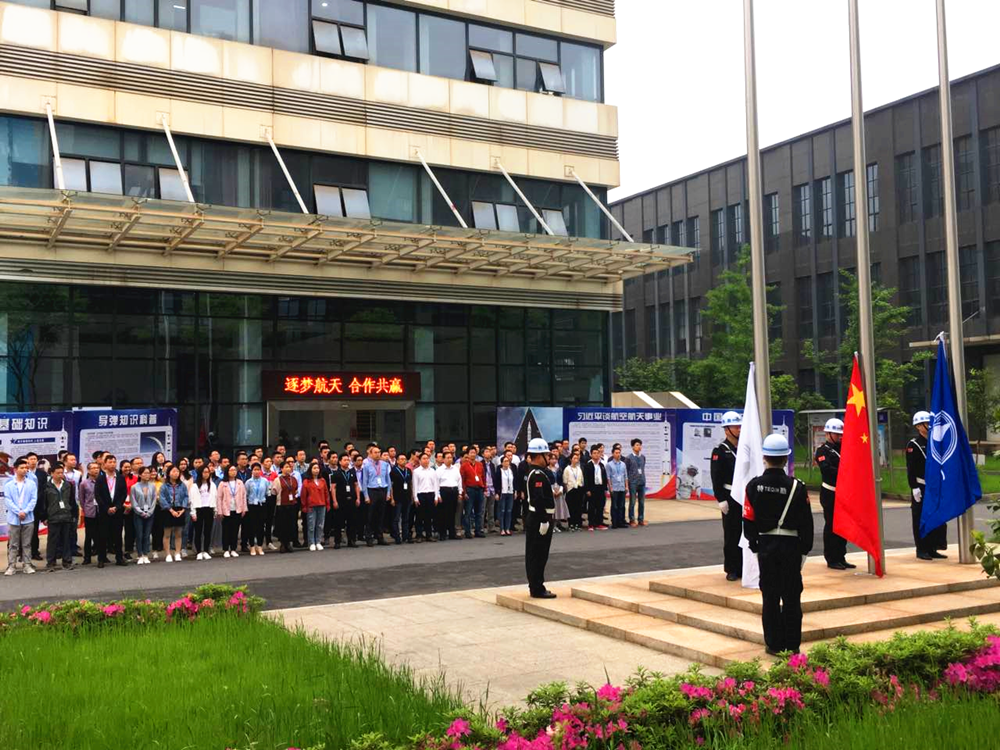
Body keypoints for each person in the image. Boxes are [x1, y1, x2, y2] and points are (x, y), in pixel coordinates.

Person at [743, 434, 814, 656]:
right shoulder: (797, 487)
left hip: (766, 545)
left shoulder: (753, 486)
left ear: (765, 458)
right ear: (785, 459)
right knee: (792, 597)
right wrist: (804, 550)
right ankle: (792, 644)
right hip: (791, 546)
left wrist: (755, 546)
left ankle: (773, 644)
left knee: (770, 597)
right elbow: (807, 523)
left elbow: (748, 520)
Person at [815, 418, 855, 570]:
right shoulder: (822, 450)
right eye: (837, 434)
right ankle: (831, 558)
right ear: (828, 434)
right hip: (830, 492)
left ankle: (841, 556)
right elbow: (826, 469)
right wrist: (845, 473)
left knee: (844, 525)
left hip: (844, 492)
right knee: (832, 526)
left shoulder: (843, 448)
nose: (840, 437)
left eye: (841, 434)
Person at [907, 411, 947, 560]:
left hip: (934, 486)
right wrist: (914, 487)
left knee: (935, 517)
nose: (930, 426)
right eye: (926, 423)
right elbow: (911, 468)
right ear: (918, 426)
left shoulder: (934, 442)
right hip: (921, 486)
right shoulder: (914, 445)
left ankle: (932, 548)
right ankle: (922, 549)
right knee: (920, 518)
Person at [711, 411, 743, 582]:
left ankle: (743, 567)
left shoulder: (744, 449)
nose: (739, 429)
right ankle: (731, 568)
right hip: (730, 496)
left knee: (745, 533)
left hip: (744, 496)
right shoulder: (720, 451)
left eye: (740, 426)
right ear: (726, 430)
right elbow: (716, 477)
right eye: (735, 427)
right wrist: (721, 499)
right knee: (731, 533)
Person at [523, 438, 557, 599]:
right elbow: (538, 500)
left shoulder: (539, 472)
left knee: (539, 553)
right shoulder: (537, 474)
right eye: (546, 455)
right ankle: (536, 587)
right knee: (537, 554)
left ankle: (537, 585)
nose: (549, 458)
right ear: (539, 456)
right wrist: (544, 520)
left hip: (539, 517)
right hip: (539, 518)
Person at [4, 458, 38, 575]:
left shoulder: (31, 483)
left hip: (28, 518)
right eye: (22, 468)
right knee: (13, 544)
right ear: (15, 469)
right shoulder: (9, 484)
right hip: (14, 518)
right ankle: (11, 566)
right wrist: (18, 512)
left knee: (27, 544)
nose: (24, 470)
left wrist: (26, 511)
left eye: (26, 468)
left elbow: (33, 499)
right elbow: (8, 500)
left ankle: (27, 565)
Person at [95, 453, 127, 568]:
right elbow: (97, 495)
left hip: (117, 511)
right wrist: (106, 508)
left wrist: (117, 507)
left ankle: (119, 558)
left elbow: (123, 494)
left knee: (118, 535)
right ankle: (101, 559)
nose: (112, 464)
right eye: (110, 462)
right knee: (103, 535)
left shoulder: (120, 477)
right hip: (104, 511)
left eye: (114, 462)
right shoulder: (100, 478)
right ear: (104, 464)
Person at [42, 462, 74, 571]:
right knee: (52, 541)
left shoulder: (68, 485)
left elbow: (72, 501)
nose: (60, 475)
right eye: (58, 473)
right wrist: (44, 517)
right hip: (53, 517)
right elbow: (43, 503)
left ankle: (67, 561)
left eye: (62, 473)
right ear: (52, 473)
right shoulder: (46, 486)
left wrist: (73, 514)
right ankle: (51, 562)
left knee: (66, 540)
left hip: (66, 516)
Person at [361, 445, 392, 547]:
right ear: (370, 454)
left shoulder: (385, 465)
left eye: (379, 452)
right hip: (372, 490)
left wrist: (388, 493)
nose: (378, 454)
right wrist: (366, 496)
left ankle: (380, 537)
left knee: (381, 515)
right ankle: (369, 537)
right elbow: (364, 481)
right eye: (375, 452)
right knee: (370, 515)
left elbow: (388, 479)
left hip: (382, 489)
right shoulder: (366, 465)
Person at [216, 464, 247, 558]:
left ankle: (233, 549)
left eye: (234, 470)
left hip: (237, 509)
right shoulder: (223, 483)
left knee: (235, 530)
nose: (233, 472)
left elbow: (244, 496)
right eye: (231, 470)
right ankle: (226, 549)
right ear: (227, 472)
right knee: (226, 530)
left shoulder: (240, 482)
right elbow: (219, 498)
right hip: (226, 510)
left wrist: (244, 508)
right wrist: (220, 511)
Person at [159, 465, 189, 563]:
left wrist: (183, 509)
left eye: (177, 471)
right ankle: (168, 554)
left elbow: (186, 496)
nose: (175, 473)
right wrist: (171, 510)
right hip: (167, 510)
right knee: (167, 533)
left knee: (178, 533)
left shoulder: (182, 485)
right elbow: (162, 499)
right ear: (168, 473)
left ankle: (177, 553)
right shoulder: (164, 485)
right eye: (173, 471)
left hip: (179, 509)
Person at [329, 453, 359, 549]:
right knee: (338, 522)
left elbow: (356, 485)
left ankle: (352, 540)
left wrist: (358, 498)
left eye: (348, 460)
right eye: (344, 460)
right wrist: (334, 501)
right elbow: (333, 488)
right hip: (341, 500)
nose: (347, 462)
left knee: (352, 521)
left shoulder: (352, 472)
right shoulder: (336, 473)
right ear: (340, 462)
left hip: (351, 500)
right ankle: (337, 541)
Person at [130, 466, 158, 565]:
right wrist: (140, 512)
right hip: (139, 513)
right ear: (140, 475)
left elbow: (154, 500)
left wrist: (150, 512)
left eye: (148, 473)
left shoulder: (152, 486)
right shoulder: (134, 487)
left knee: (147, 535)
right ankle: (140, 554)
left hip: (150, 512)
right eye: (145, 473)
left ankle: (146, 554)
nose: (147, 475)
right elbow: (133, 502)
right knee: (139, 534)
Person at [271, 460, 299, 553]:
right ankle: (283, 543)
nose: (288, 469)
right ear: (281, 469)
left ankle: (288, 543)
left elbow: (296, 490)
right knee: (282, 525)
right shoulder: (277, 480)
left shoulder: (293, 479)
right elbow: (274, 492)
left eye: (289, 467)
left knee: (291, 524)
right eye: (286, 467)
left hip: (292, 504)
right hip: (282, 505)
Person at [190, 465, 217, 560]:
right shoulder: (195, 486)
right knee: (198, 531)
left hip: (209, 509)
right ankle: (198, 551)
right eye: (204, 472)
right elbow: (192, 500)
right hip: (199, 509)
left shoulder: (212, 485)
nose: (206, 474)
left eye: (207, 472)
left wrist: (215, 510)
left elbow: (215, 498)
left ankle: (206, 550)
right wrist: (193, 512)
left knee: (207, 531)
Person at [300, 462, 329, 551]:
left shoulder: (322, 480)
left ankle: (318, 541)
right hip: (311, 506)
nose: (316, 470)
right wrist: (304, 506)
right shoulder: (306, 481)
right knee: (311, 525)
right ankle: (311, 542)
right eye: (314, 468)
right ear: (310, 470)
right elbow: (303, 495)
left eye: (317, 468)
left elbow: (326, 493)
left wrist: (327, 504)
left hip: (322, 505)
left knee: (320, 525)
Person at [411, 451, 439, 543]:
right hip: (421, 494)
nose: (426, 460)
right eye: (423, 458)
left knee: (429, 516)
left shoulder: (433, 471)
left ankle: (429, 535)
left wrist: (436, 496)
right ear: (419, 460)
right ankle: (419, 535)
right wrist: (415, 497)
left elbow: (436, 484)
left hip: (430, 494)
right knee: (419, 516)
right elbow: (415, 485)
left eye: (427, 459)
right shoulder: (416, 471)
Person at [459, 446, 486, 539]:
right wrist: (464, 492)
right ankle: (468, 531)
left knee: (479, 511)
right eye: (471, 453)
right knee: (468, 511)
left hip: (479, 489)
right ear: (468, 454)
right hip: (469, 489)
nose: (473, 454)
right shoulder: (464, 465)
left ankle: (478, 530)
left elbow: (483, 477)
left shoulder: (480, 464)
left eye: (474, 453)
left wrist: (484, 488)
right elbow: (462, 480)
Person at [244, 462, 269, 556]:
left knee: (261, 527)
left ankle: (260, 545)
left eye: (258, 470)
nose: (257, 471)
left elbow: (267, 492)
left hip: (262, 505)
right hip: (251, 506)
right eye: (255, 470)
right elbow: (246, 494)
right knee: (251, 526)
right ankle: (252, 546)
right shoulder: (248, 482)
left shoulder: (265, 481)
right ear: (252, 471)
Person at [436, 451, 462, 541]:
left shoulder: (455, 469)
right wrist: (438, 495)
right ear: (443, 459)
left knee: (452, 513)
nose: (449, 459)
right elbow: (436, 483)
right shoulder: (439, 470)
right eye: (447, 458)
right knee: (442, 514)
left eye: (451, 457)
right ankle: (442, 533)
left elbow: (459, 480)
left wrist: (460, 492)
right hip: (444, 491)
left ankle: (452, 533)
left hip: (453, 491)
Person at [582, 445, 608, 531]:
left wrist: (605, 488)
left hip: (600, 488)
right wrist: (587, 490)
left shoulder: (601, 465)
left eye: (598, 453)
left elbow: (604, 477)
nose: (596, 455)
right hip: (592, 488)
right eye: (594, 453)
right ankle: (591, 524)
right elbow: (585, 478)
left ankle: (599, 523)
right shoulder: (588, 465)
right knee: (592, 507)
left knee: (600, 506)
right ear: (591, 454)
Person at [78, 461, 99, 565]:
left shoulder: (102, 481)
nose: (96, 470)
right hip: (90, 511)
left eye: (97, 468)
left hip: (101, 511)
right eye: (93, 468)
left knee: (100, 535)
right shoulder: (84, 483)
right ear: (89, 470)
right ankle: (87, 557)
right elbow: (81, 499)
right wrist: (85, 509)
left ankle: (102, 556)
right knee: (89, 535)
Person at [390, 453, 413, 544]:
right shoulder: (393, 471)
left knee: (406, 518)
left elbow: (410, 484)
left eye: (405, 459)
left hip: (407, 497)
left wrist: (412, 496)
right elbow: (391, 485)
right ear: (397, 461)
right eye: (401, 459)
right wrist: (392, 498)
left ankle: (405, 536)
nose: (404, 461)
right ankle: (397, 536)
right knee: (396, 518)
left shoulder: (408, 470)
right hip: (397, 497)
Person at [624, 438, 647, 527]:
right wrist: (628, 483)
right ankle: (632, 519)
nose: (639, 446)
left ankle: (641, 519)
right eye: (637, 445)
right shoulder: (628, 458)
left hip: (642, 482)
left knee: (642, 502)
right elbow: (626, 471)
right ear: (633, 447)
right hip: (633, 483)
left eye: (640, 445)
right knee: (632, 502)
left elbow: (642, 468)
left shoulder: (643, 457)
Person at [607, 444, 629, 529]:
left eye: (619, 453)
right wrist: (610, 487)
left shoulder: (623, 464)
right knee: (614, 506)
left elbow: (625, 476)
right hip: (614, 488)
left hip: (622, 487)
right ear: (613, 454)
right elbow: (608, 477)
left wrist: (626, 486)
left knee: (622, 506)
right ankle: (614, 522)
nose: (618, 454)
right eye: (616, 453)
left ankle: (620, 522)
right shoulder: (609, 464)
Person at [497, 454, 516, 536]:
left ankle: (507, 528)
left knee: (509, 511)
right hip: (502, 492)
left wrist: (515, 491)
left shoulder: (511, 471)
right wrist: (497, 493)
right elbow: (497, 482)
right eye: (505, 461)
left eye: (507, 461)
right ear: (501, 463)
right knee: (502, 511)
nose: (506, 463)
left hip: (510, 492)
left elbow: (514, 482)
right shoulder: (499, 471)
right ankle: (502, 529)